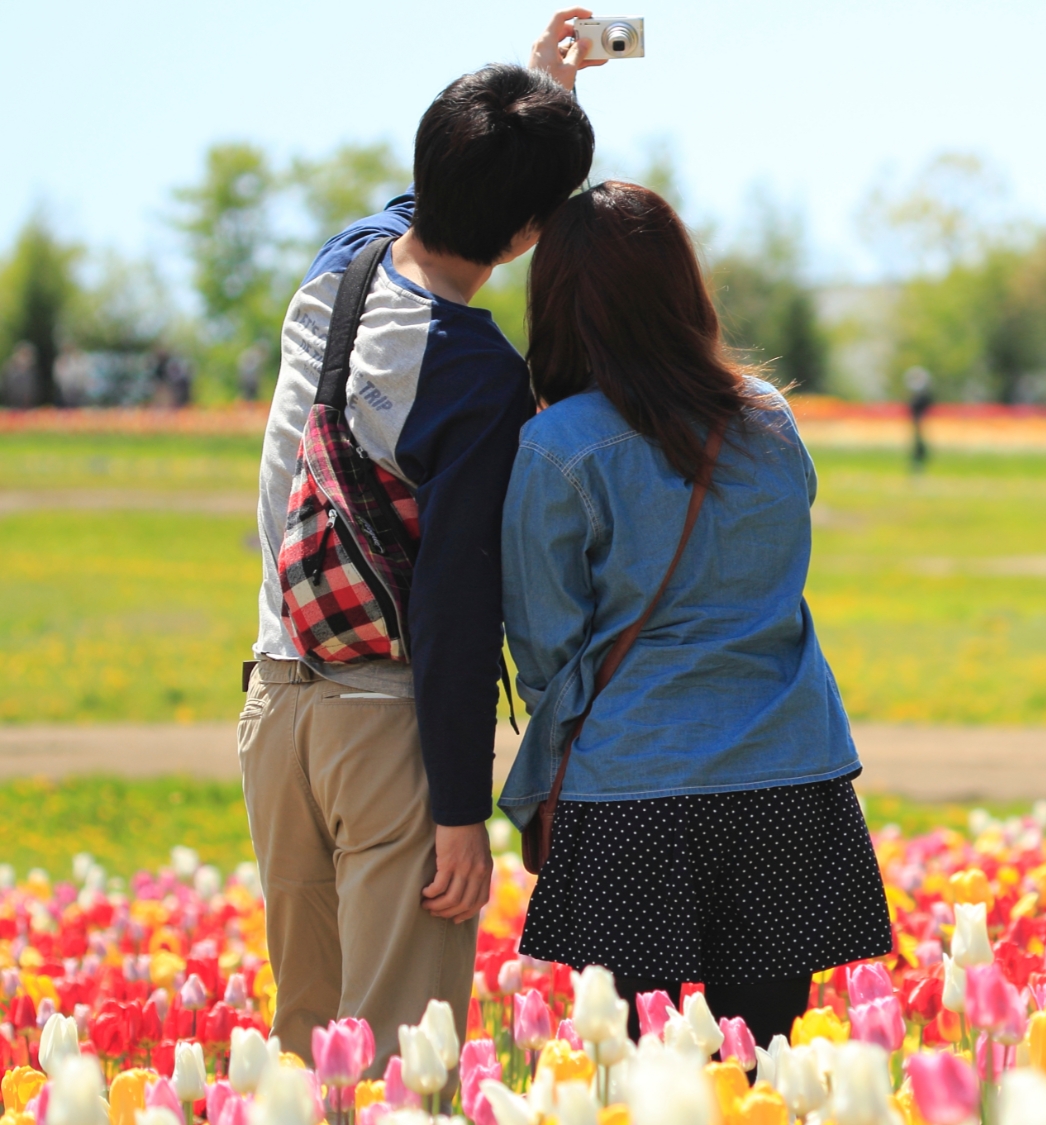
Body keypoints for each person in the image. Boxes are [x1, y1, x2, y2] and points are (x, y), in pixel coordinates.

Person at [237, 12, 601, 1072]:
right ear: (531, 231)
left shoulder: (335, 271)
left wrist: (537, 95)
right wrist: (457, 808)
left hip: (274, 702)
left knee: (307, 1049)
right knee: (398, 1054)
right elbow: (453, 607)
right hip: (380, 721)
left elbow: (441, 209)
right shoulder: (476, 376)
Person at [498, 181, 892, 1047]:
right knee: (762, 1064)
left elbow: (547, 654)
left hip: (636, 787)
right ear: (685, 287)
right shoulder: (770, 420)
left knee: (645, 1069)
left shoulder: (558, 446)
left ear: (559, 302)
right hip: (789, 777)